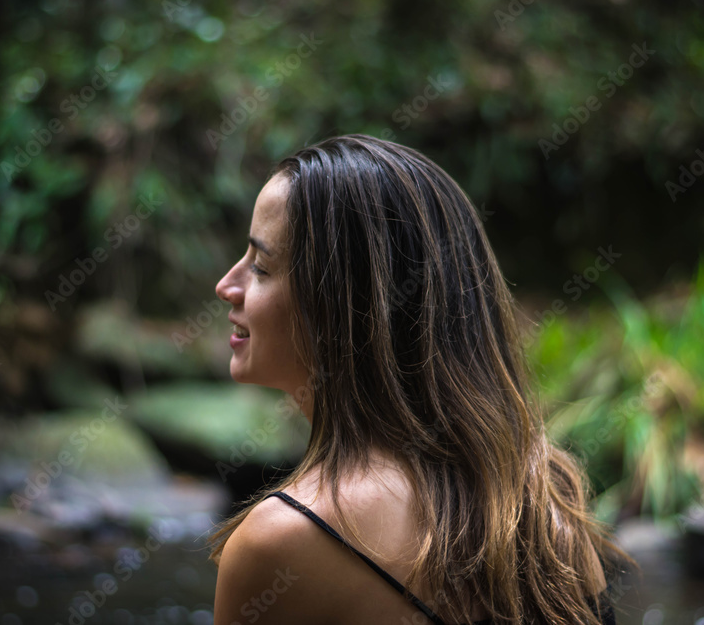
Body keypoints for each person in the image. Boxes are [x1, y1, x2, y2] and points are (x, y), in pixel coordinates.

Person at [207, 134, 634, 624]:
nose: (227, 285)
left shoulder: (282, 541)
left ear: (347, 308)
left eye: (261, 266)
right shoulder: (546, 503)